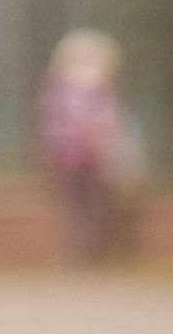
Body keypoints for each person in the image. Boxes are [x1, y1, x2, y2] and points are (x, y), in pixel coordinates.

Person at [40, 28, 136, 266]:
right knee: (86, 207)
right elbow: (101, 126)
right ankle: (84, 253)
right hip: (84, 157)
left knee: (85, 207)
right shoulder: (83, 93)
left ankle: (85, 253)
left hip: (76, 157)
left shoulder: (61, 92)